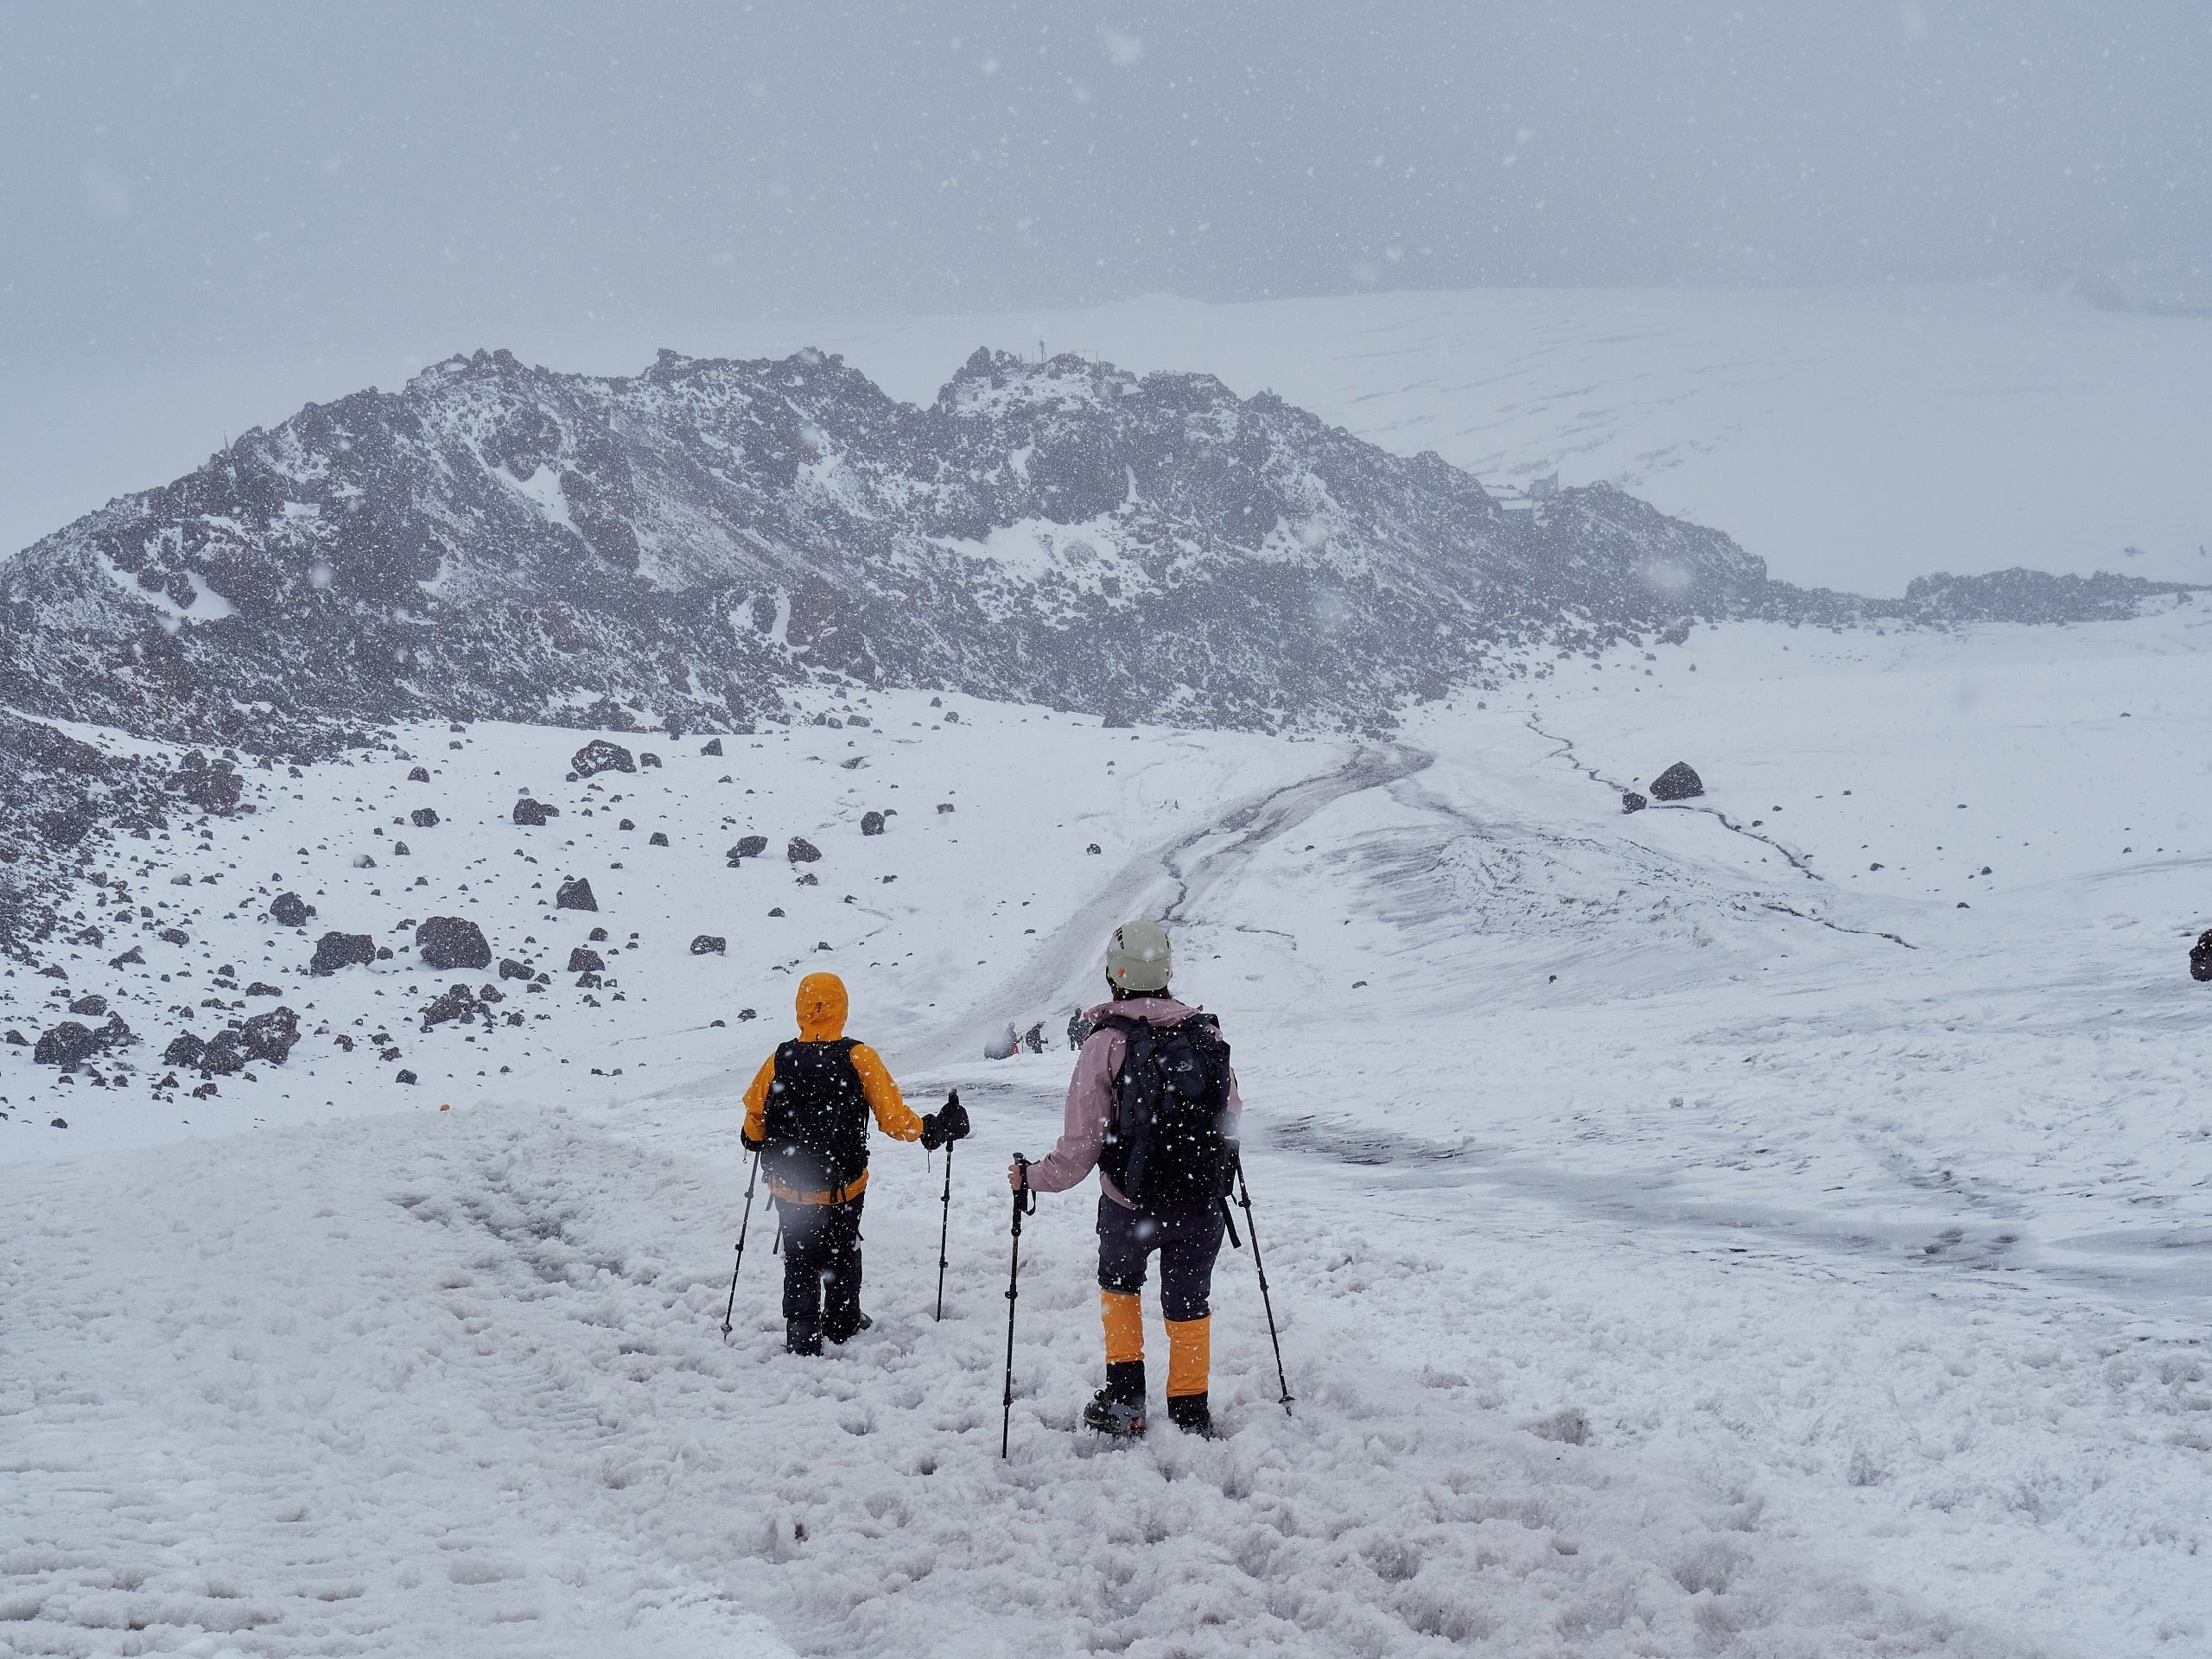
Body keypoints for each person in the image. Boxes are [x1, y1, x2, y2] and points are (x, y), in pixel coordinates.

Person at [1009, 920, 1241, 1438]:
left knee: (1120, 1288)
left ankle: (1125, 1399)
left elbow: (1078, 1150)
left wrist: (1030, 1178)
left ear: (1116, 975)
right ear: (1166, 970)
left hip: (1129, 1203)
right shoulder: (1206, 1035)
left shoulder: (1106, 1043)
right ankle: (1189, 1410)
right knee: (1189, 1302)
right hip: (1199, 1202)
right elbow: (1232, 1118)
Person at [742, 972, 967, 1354]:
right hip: (842, 1188)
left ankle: (802, 1333)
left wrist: (758, 1135)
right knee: (841, 1249)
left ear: (800, 1008)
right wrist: (933, 1127)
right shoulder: (858, 1056)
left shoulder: (779, 1058)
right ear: (842, 1008)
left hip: (789, 1189)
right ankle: (842, 1322)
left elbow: (753, 1120)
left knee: (798, 1255)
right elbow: (894, 1120)